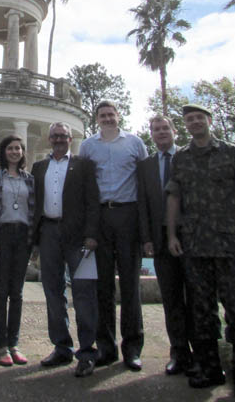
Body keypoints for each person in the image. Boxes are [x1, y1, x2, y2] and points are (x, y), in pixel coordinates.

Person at [166, 104, 235, 400]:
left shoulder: (231, 152)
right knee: (202, 311)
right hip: (195, 244)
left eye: (198, 118)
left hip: (229, 244)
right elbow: (174, 198)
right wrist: (171, 234)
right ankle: (209, 368)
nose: (194, 122)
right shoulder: (181, 157)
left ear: (209, 120)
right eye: (189, 119)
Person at [79, 100, 148, 371]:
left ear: (118, 116)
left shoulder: (134, 143)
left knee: (130, 284)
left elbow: (143, 184)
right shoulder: (88, 146)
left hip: (128, 215)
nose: (107, 118)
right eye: (103, 115)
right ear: (97, 119)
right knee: (102, 286)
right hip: (100, 217)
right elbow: (84, 187)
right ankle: (106, 348)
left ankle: (132, 348)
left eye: (111, 114)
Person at [32, 122, 100, 378]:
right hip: (48, 233)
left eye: (63, 135)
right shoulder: (39, 167)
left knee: (83, 293)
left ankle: (86, 352)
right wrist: (35, 242)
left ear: (71, 139)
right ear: (49, 139)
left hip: (78, 237)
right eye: (55, 136)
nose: (59, 139)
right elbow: (35, 204)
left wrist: (92, 235)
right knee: (52, 291)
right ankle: (61, 347)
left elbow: (93, 201)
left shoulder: (83, 165)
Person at [137, 115, 194, 375]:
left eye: (164, 128)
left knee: (198, 298)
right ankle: (179, 353)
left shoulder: (189, 157)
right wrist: (147, 238)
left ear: (174, 131)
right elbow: (144, 204)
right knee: (171, 299)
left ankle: (204, 354)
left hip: (192, 237)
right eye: (155, 129)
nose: (160, 133)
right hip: (160, 240)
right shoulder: (147, 165)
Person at [0, 134, 35, 366]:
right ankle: (1, 346)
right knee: (1, 291)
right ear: (3, 152)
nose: (14, 152)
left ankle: (14, 343)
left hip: (23, 236)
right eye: (10, 148)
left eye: (18, 148)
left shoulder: (29, 180)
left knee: (18, 293)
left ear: (22, 153)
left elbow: (34, 211)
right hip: (2, 235)